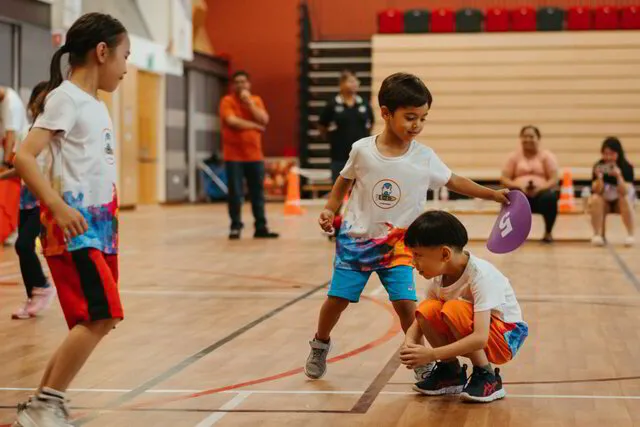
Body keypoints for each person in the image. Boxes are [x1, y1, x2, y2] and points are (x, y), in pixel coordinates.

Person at [304, 72, 509, 381]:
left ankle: (421, 359)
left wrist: (492, 194)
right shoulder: (361, 150)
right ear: (385, 113)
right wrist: (328, 209)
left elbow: (455, 181)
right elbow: (342, 183)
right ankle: (320, 342)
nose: (417, 125)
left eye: (423, 118)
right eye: (411, 117)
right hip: (355, 241)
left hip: (400, 245)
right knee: (337, 300)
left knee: (406, 306)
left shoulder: (424, 157)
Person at [12, 12, 129, 427]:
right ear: (101, 53)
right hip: (74, 232)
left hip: (100, 230)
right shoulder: (65, 98)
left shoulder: (92, 104)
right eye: (124, 57)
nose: (126, 67)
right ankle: (48, 401)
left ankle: (41, 402)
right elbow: (23, 156)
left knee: (94, 318)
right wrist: (57, 207)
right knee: (101, 315)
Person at [399, 210, 528, 403]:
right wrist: (409, 342)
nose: (413, 262)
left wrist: (431, 354)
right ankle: (450, 373)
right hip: (480, 333)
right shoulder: (438, 277)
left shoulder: (481, 276)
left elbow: (479, 338)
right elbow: (421, 319)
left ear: (444, 253)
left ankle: (487, 376)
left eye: (418, 255)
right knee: (428, 308)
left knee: (453, 309)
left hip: (505, 337)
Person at [0, 81, 56, 320]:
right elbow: (22, 167)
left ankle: (43, 286)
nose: (39, 106)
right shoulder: (26, 133)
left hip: (45, 199)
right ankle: (33, 295)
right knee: (23, 250)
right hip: (27, 200)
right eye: (37, 101)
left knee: (24, 245)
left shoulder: (53, 136)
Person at [219, 70, 278, 240]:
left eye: (243, 82)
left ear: (248, 84)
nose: (240, 85)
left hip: (255, 156)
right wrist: (254, 125)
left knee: (257, 193)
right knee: (235, 194)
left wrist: (249, 103)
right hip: (234, 157)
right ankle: (235, 226)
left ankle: (261, 227)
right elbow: (232, 121)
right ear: (233, 85)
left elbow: (264, 119)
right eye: (237, 82)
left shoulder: (256, 100)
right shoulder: (227, 101)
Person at [501, 125, 559, 243]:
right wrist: (518, 186)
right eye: (525, 136)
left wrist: (540, 188)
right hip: (520, 195)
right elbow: (504, 179)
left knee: (551, 197)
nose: (528, 139)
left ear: (538, 138)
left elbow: (554, 179)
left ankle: (548, 233)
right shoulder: (514, 157)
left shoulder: (547, 156)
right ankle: (512, 235)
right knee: (510, 197)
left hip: (541, 196)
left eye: (531, 136)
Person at [318, 69, 374, 184]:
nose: (354, 84)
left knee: (361, 188)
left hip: (361, 155)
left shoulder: (363, 103)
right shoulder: (333, 104)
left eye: (356, 81)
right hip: (339, 155)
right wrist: (332, 138)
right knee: (338, 189)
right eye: (350, 81)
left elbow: (371, 123)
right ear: (341, 84)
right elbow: (322, 125)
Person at [589, 137, 635, 247]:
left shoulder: (626, 167)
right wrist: (599, 178)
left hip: (621, 201)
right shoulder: (598, 166)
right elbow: (596, 190)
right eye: (605, 154)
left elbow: (625, 191)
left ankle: (630, 234)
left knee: (624, 199)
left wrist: (619, 177)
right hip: (606, 202)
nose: (608, 157)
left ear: (618, 153)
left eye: (612, 154)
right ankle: (597, 234)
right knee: (595, 199)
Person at [0, 84, 28, 246]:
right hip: (10, 150)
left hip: (15, 152)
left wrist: (6, 161)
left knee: (12, 192)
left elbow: (11, 135)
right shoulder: (5, 99)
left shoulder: (11, 104)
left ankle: (14, 228)